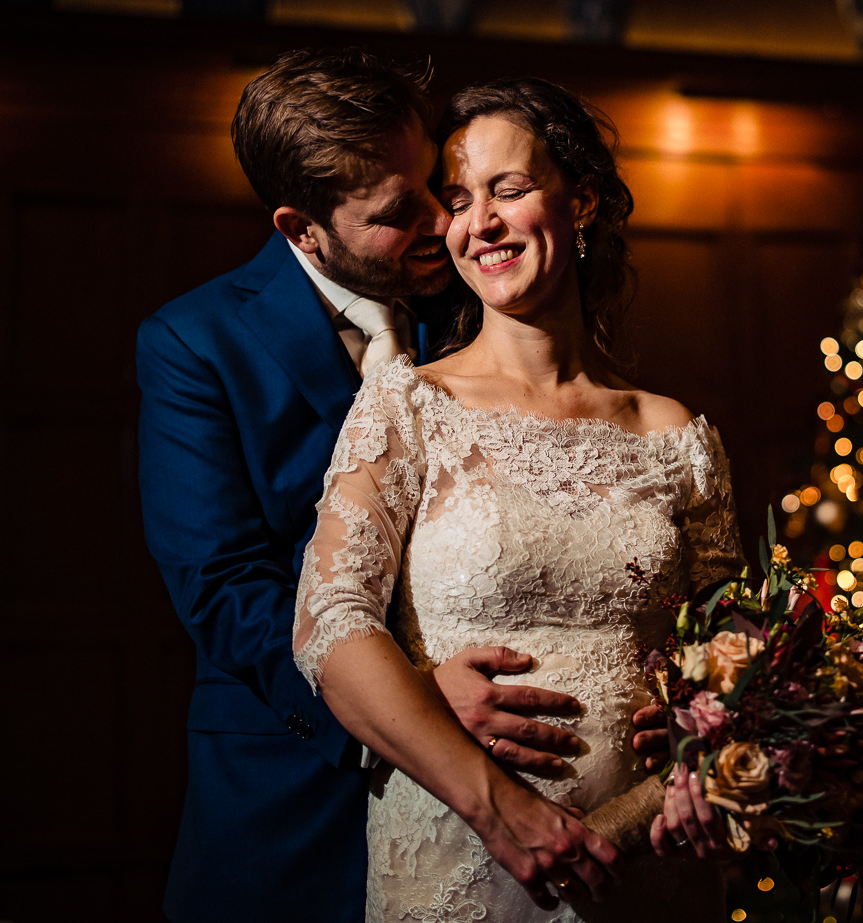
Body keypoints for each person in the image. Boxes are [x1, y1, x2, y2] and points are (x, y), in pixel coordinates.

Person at [138, 49, 629, 923]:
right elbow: (222, 586)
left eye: (437, 184)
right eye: (401, 212)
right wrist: (403, 698)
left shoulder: (476, 297)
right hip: (292, 792)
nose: (446, 220)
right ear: (303, 228)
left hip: (500, 817)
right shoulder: (196, 342)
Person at [292, 77, 745, 921]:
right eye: (458, 200)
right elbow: (328, 623)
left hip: (649, 870)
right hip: (461, 860)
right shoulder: (408, 407)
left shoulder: (676, 433)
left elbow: (732, 650)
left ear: (583, 201)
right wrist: (500, 811)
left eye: (509, 190)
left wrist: (705, 759)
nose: (480, 224)